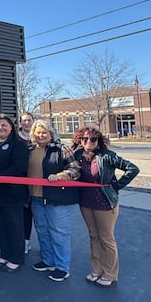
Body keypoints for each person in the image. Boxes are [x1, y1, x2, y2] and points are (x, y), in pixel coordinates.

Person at [72, 126, 139, 288]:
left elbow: (133, 168)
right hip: (86, 202)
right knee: (93, 236)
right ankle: (96, 270)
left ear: (98, 141)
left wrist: (116, 186)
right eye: (85, 139)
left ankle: (109, 273)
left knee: (106, 238)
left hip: (104, 203)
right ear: (80, 140)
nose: (89, 142)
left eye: (93, 139)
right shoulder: (77, 156)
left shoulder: (107, 156)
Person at [27, 119, 80, 282]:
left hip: (56, 199)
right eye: (38, 133)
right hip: (36, 197)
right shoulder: (30, 149)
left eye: (44, 132)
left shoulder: (61, 149)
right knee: (42, 230)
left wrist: (61, 176)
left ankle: (62, 267)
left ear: (51, 134)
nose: (41, 135)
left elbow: (75, 170)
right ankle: (48, 261)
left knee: (59, 233)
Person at [0, 114, 29, 273]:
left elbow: (19, 167)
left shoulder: (17, 145)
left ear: (11, 127)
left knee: (14, 226)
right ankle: (5, 254)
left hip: (12, 193)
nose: (0, 128)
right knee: (1, 226)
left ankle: (16, 258)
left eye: (4, 125)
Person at [17, 112, 35, 255]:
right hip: (21, 182)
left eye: (29, 120)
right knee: (25, 213)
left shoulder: (40, 136)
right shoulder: (16, 138)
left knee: (40, 215)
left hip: (38, 180)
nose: (27, 123)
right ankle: (25, 241)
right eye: (24, 121)